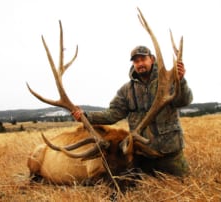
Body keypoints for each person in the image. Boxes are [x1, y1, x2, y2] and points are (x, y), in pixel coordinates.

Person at [72, 45, 193, 177]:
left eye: (143, 59)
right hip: (141, 154)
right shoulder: (127, 90)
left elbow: (184, 101)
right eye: (136, 61)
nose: (140, 63)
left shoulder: (168, 82)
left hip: (170, 151)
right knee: (133, 183)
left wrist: (180, 81)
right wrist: (87, 116)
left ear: (152, 59)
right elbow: (112, 114)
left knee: (184, 181)